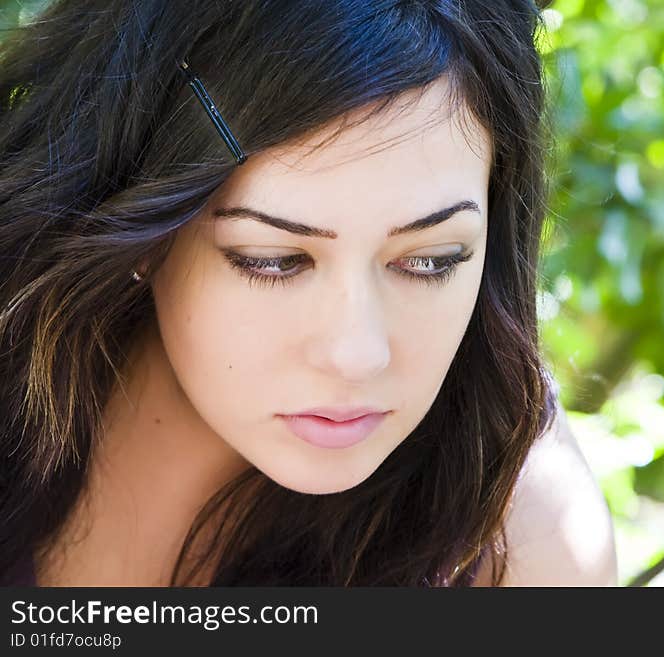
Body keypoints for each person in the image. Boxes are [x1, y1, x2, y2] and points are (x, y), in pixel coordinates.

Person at [0, 0, 616, 586]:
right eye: (273, 261)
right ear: (142, 224)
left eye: (431, 261)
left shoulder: (527, 545)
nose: (357, 353)